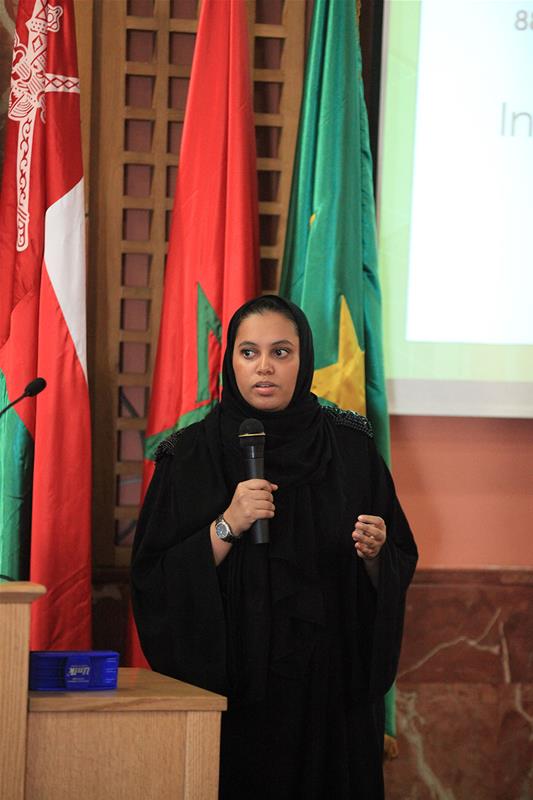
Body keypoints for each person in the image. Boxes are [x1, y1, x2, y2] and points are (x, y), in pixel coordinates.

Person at [131, 295, 418, 799]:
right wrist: (227, 525)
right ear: (231, 361)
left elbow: (397, 559)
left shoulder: (351, 447)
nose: (264, 367)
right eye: (249, 352)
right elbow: (154, 580)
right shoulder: (190, 454)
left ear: (303, 360)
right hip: (236, 692)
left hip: (330, 695)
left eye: (281, 352)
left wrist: (377, 556)